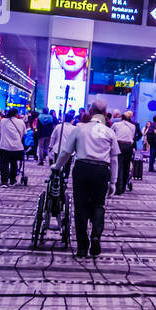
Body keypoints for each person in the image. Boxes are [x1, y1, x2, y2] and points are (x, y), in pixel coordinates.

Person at [55, 99, 117, 259]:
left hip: (82, 168)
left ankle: (82, 247)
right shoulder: (109, 132)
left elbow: (65, 152)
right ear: (104, 114)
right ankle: (96, 235)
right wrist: (113, 182)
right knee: (98, 205)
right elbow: (115, 159)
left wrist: (57, 167)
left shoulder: (79, 130)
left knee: (80, 207)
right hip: (101, 170)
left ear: (89, 112)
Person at [0, 107, 27, 186]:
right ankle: (12, 180)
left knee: (4, 163)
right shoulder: (21, 122)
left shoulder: (3, 121)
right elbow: (24, 133)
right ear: (16, 114)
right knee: (14, 162)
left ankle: (4, 181)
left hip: (4, 147)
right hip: (17, 148)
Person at [112, 110, 136, 195]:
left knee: (119, 166)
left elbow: (112, 135)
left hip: (119, 145)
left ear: (121, 118)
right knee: (126, 166)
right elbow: (132, 136)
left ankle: (118, 188)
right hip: (129, 146)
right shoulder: (133, 126)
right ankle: (123, 188)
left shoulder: (116, 125)